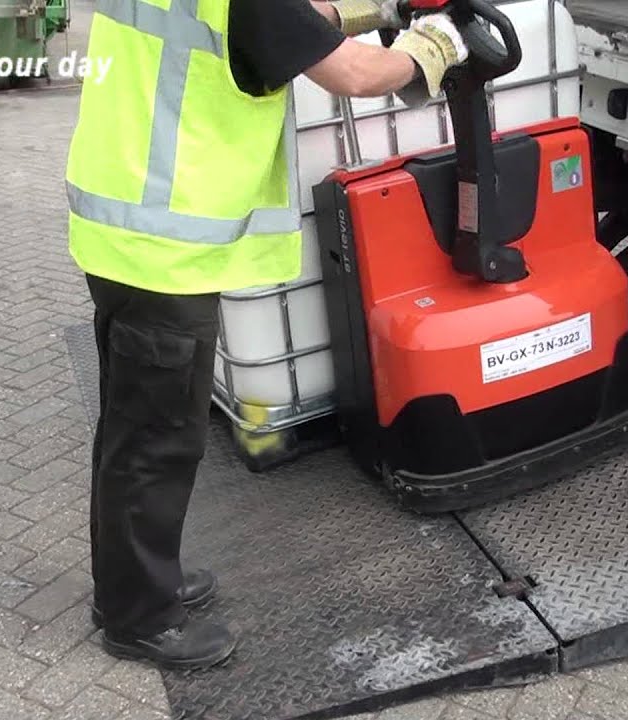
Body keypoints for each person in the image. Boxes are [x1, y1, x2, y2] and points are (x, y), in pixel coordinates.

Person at [64, 0, 470, 670]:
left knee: (133, 426)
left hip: (124, 224)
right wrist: (435, 45)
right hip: (161, 248)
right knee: (157, 439)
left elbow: (288, 23)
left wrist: (378, 8)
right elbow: (356, 74)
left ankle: (133, 582)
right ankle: (139, 617)